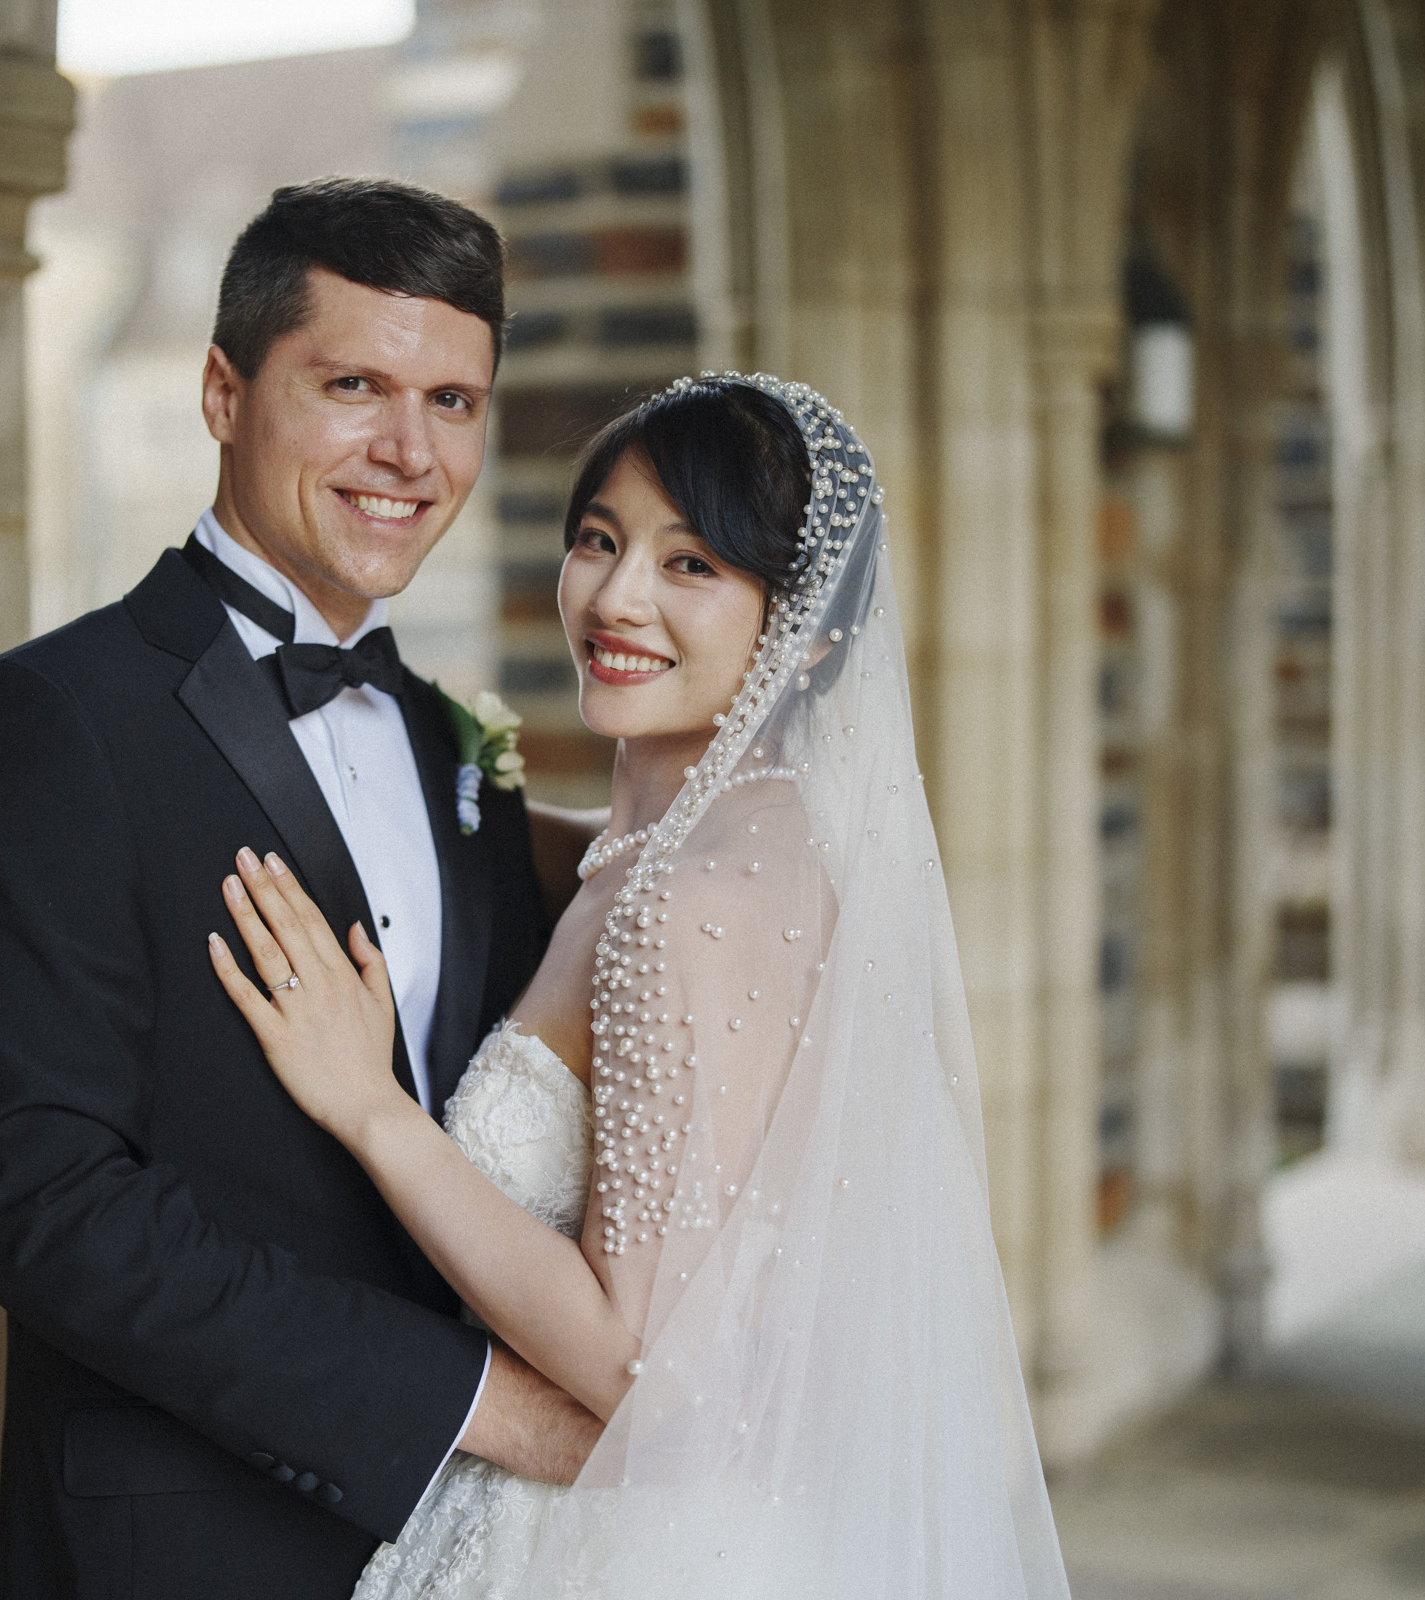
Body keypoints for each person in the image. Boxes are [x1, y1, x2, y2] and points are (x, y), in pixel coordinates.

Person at [211, 375, 1075, 1597]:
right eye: (601, 541)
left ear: (808, 634)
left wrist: (371, 1110)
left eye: (692, 566)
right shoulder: (742, 840)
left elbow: (636, 1361)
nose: (617, 598)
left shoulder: (687, 905)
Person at [0, 177, 602, 1600]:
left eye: (453, 402)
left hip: (489, 1555)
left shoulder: (455, 744)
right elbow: (53, 1213)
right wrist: (485, 1406)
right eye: (353, 384)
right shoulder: (44, 726)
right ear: (223, 392)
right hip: (189, 1543)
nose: (409, 451)